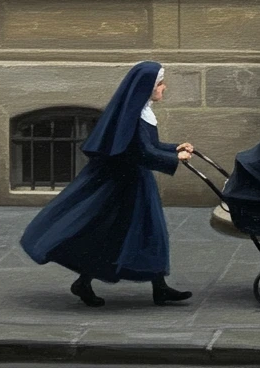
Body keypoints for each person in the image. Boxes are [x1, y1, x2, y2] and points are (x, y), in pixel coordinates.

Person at [20, 60, 195, 307]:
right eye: (160, 84)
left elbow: (151, 146)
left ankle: (160, 286)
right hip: (122, 186)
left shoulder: (141, 112)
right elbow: (140, 153)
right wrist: (174, 158)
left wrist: (173, 147)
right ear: (147, 87)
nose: (164, 88)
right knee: (112, 232)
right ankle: (86, 282)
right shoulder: (133, 117)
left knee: (150, 232)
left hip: (137, 182)